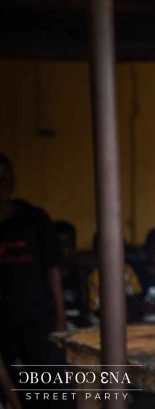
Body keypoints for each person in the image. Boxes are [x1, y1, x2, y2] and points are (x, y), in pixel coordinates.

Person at [0, 153, 66, 363]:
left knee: (48, 380)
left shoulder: (34, 218)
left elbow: (52, 270)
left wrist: (60, 321)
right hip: (3, 324)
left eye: (7, 175)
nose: (3, 181)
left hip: (38, 320)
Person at [86, 232, 143, 322]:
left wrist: (130, 316)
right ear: (96, 251)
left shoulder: (127, 271)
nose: (110, 253)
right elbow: (96, 308)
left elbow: (134, 297)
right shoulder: (94, 275)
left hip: (126, 316)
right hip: (101, 319)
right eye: (105, 249)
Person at [54, 221, 88, 328]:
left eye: (67, 245)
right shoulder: (46, 275)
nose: (62, 251)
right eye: (58, 246)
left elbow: (85, 307)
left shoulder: (79, 272)